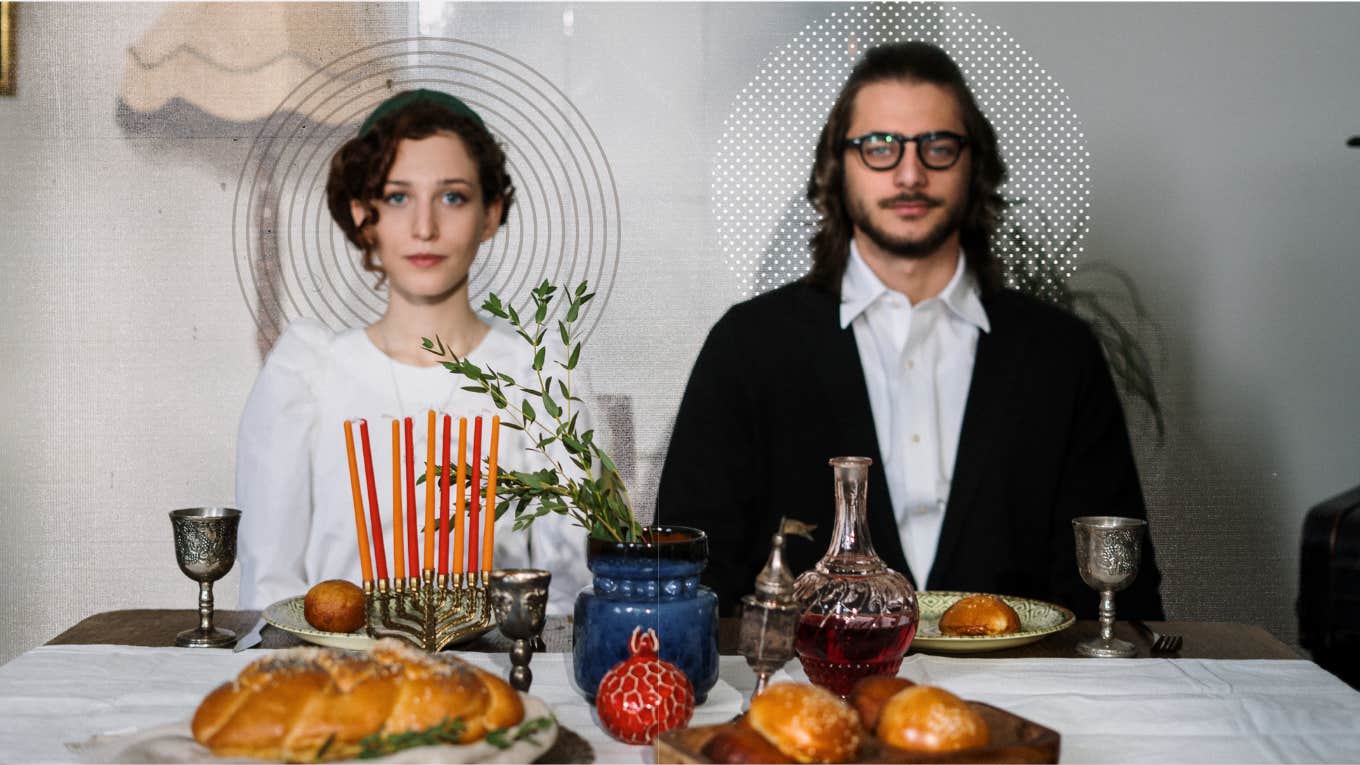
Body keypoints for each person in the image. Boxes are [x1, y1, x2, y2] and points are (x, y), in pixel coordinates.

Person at [657, 42, 1164, 621]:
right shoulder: (746, 347)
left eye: (938, 147)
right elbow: (685, 584)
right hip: (813, 699)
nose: (909, 172)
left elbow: (1122, 603)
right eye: (879, 147)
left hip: (1028, 702)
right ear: (836, 165)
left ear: (975, 165)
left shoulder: (1060, 355)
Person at [236, 90, 590, 614]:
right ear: (363, 215)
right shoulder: (308, 376)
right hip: (342, 678)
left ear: (490, 215)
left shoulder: (536, 378)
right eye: (398, 197)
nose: (425, 228)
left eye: (453, 197)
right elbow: (271, 589)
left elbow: (568, 588)